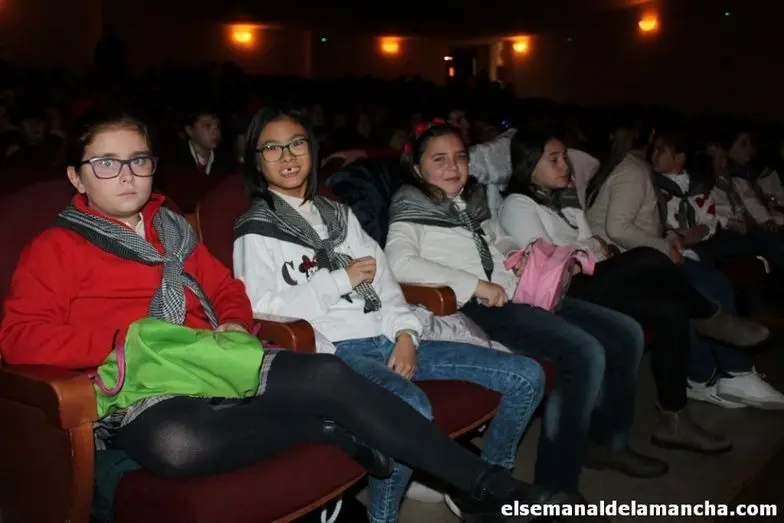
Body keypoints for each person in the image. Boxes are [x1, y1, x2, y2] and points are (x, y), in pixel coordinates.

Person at [0, 108, 553, 523]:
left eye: (138, 160)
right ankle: (327, 431)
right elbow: (19, 338)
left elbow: (227, 289)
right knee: (177, 445)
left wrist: (233, 322)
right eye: (106, 163)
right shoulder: (55, 248)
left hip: (218, 358)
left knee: (329, 373)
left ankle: (488, 484)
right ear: (78, 177)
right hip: (143, 383)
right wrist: (134, 341)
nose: (126, 175)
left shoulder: (172, 229)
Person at [232, 105, 549, 523]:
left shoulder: (339, 214)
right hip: (338, 354)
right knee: (411, 408)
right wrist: (339, 280)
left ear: (312, 149)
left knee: (527, 375)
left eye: (296, 144)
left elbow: (386, 284)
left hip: (388, 334)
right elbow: (260, 308)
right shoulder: (256, 227)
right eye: (272, 148)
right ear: (257, 161)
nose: (287, 157)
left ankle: (485, 493)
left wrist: (405, 335)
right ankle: (383, 518)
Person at [384, 120, 664, 512]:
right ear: (417, 168)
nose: (453, 167)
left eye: (460, 157)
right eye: (439, 159)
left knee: (625, 332)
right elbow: (398, 262)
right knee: (583, 351)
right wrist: (475, 285)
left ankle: (608, 443)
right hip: (473, 308)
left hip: (517, 293)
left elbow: (494, 237)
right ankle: (556, 487)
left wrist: (515, 254)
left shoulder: (470, 199)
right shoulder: (410, 203)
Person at [585, 122, 782, 409]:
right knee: (705, 285)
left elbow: (637, 225)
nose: (657, 153)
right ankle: (726, 373)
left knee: (706, 283)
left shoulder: (628, 167)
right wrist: (666, 246)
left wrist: (669, 240)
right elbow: (618, 229)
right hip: (629, 263)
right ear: (650, 136)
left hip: (636, 257)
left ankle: (721, 373)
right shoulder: (632, 171)